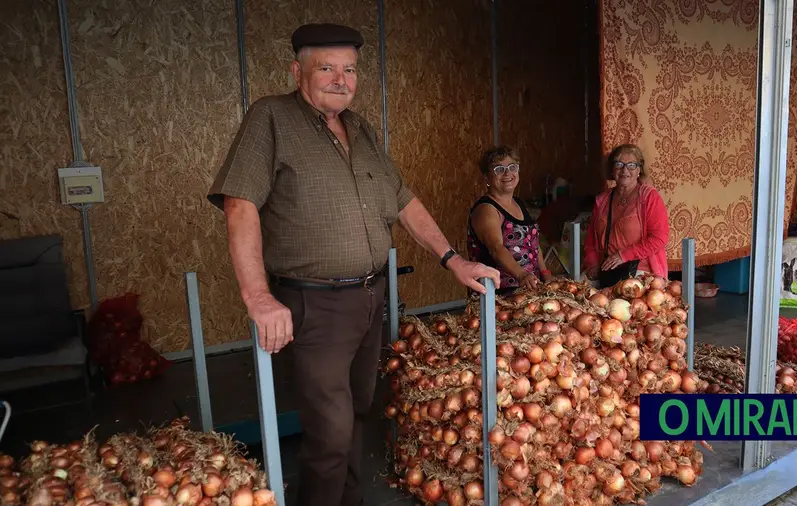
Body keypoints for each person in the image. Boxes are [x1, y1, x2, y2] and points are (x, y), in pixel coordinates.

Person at [205, 23, 499, 506]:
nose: (341, 79)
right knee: (331, 428)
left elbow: (403, 200)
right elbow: (240, 206)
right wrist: (258, 297)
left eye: (350, 69)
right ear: (297, 71)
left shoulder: (360, 128)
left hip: (370, 296)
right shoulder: (271, 118)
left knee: (360, 411)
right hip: (314, 302)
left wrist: (453, 260)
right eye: (327, 68)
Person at [466, 145, 551, 293]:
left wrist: (545, 274)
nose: (507, 173)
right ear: (486, 177)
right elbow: (496, 248)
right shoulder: (486, 209)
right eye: (498, 169)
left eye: (512, 167)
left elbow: (533, 244)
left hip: (527, 291)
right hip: (496, 295)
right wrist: (522, 274)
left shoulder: (518, 203)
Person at [582, 144, 670, 286]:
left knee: (621, 304)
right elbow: (591, 240)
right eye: (619, 164)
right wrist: (592, 263)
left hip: (642, 270)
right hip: (606, 268)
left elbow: (659, 238)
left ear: (639, 170)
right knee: (574, 293)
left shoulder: (649, 197)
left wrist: (624, 255)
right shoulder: (603, 200)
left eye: (631, 165)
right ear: (612, 169)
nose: (625, 170)